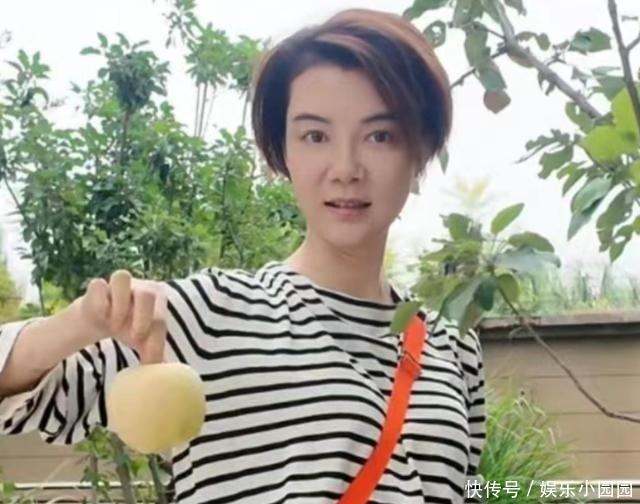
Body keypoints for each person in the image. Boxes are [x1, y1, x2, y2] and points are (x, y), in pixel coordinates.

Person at [0, 7, 485, 503]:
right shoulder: (208, 315)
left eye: (379, 136)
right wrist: (80, 322)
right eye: (315, 136)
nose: (346, 168)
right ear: (283, 152)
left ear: (420, 151)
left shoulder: (453, 348)